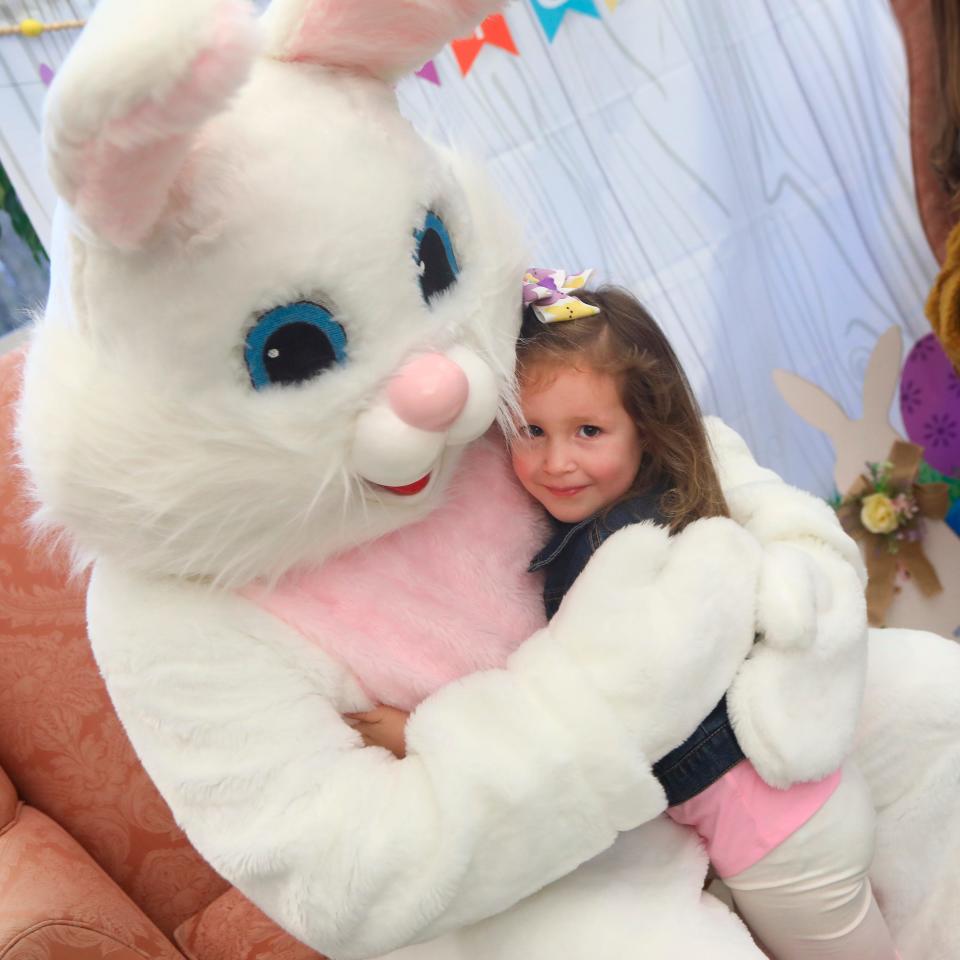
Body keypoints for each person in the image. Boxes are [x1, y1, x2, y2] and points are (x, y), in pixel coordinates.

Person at [350, 274, 899, 960]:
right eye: (530, 431)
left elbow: (578, 713)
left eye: (588, 431)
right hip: (766, 831)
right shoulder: (616, 521)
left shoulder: (640, 553)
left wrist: (423, 735)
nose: (557, 462)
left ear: (646, 426)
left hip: (786, 839)